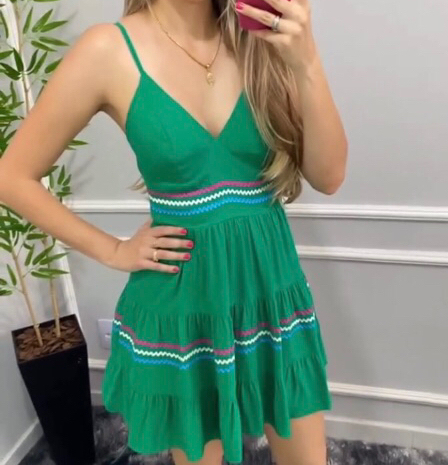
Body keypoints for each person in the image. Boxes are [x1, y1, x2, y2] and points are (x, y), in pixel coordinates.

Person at [0, 0, 347, 462]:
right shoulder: (108, 50)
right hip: (186, 306)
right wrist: (113, 250)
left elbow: (328, 176)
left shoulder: (257, 38)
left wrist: (307, 60)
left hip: (271, 292)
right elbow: (12, 177)